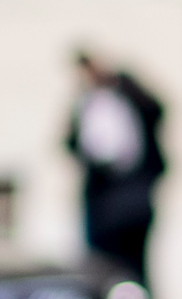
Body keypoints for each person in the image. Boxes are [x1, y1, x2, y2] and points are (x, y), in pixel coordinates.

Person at [64, 50, 167, 281]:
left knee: (135, 266)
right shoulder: (86, 103)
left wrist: (119, 80)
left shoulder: (128, 93)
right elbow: (72, 143)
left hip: (133, 198)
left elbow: (157, 110)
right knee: (103, 267)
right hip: (103, 201)